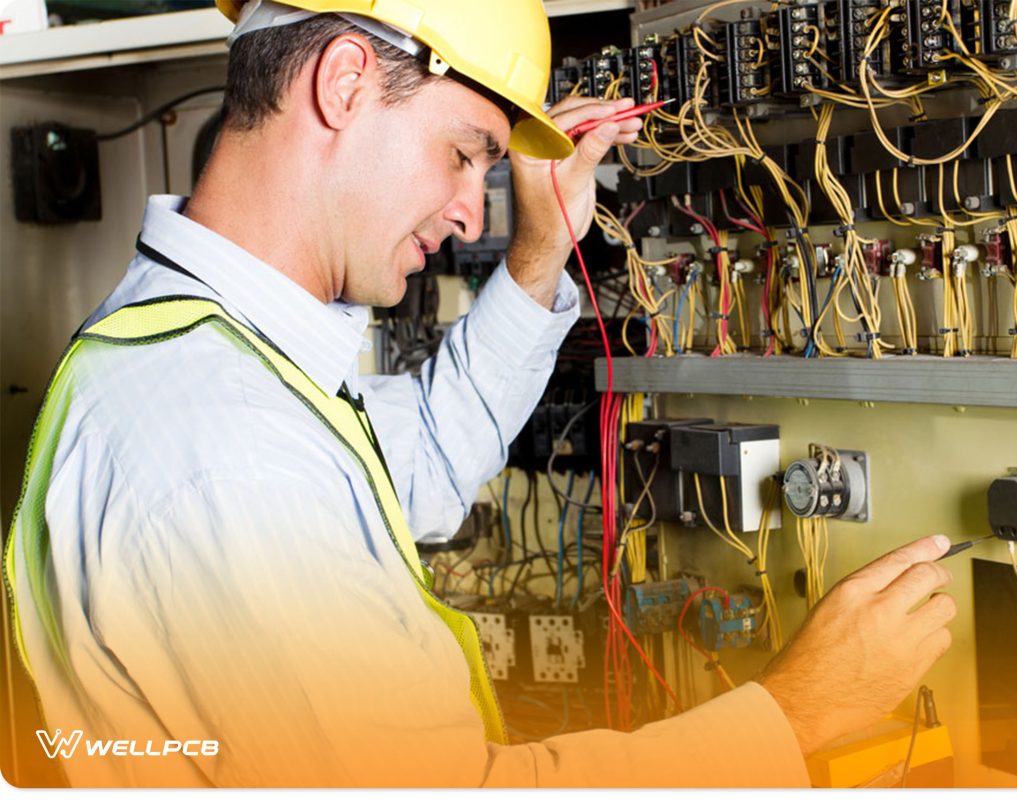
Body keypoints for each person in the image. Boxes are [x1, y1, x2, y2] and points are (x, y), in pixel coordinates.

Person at [4, 0, 956, 787]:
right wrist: (793, 716)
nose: (470, 213)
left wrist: (541, 253)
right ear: (344, 84)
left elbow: (410, 466)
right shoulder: (223, 444)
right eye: (462, 154)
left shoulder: (207, 356)